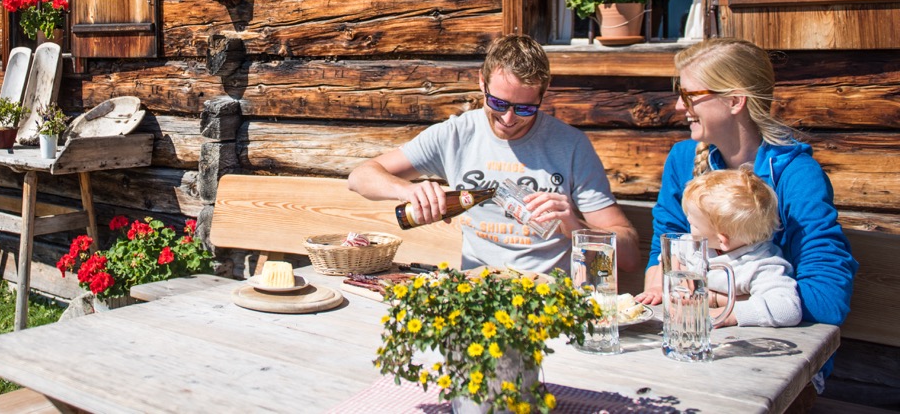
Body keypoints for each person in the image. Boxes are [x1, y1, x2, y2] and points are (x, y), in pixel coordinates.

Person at [347, 34, 639, 278]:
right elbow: (359, 178)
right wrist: (408, 190)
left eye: (525, 109)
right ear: (481, 83)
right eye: (498, 103)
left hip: (550, 301)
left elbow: (628, 258)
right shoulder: (456, 134)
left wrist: (575, 227)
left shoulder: (571, 146)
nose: (509, 119)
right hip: (479, 297)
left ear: (543, 93)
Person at [637, 37, 856, 330]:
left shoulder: (796, 175)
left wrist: (714, 299)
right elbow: (664, 255)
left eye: (689, 95)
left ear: (735, 101)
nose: (678, 105)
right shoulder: (683, 159)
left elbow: (827, 300)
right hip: (698, 334)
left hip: (779, 349)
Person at [681, 166, 801, 327]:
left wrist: (732, 314)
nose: (688, 225)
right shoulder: (696, 246)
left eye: (694, 225)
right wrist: (682, 277)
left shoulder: (758, 266)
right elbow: (674, 253)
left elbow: (788, 309)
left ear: (722, 240)